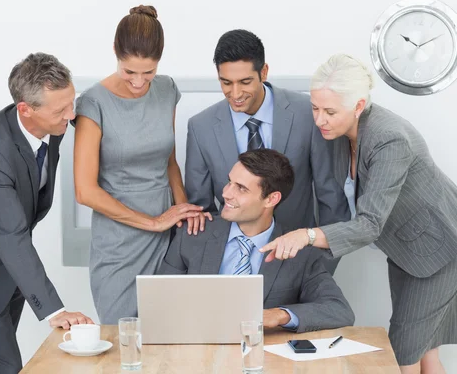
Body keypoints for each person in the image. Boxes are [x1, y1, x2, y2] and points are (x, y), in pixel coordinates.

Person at [260, 53, 457, 373]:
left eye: (329, 111)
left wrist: (306, 236)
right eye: (315, 108)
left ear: (358, 106)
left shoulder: (389, 138)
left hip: (438, 249)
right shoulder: (339, 135)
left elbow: (370, 223)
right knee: (426, 352)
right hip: (406, 249)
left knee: (403, 352)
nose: (320, 119)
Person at [0, 53, 93, 374]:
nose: (71, 116)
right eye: (60, 110)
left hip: (14, 272)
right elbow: (10, 234)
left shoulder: (51, 125)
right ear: (25, 109)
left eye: (72, 103)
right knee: (4, 368)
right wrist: (54, 311)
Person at [74, 5, 208, 324]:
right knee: (123, 334)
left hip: (168, 236)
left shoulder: (166, 90)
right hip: (120, 241)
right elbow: (85, 191)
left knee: (172, 332)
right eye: (129, 71)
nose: (138, 81)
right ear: (115, 54)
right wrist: (153, 222)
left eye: (147, 72)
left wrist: (183, 212)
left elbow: (169, 162)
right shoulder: (94, 102)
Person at [184, 29, 349, 274]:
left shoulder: (308, 113)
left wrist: (319, 266)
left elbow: (331, 197)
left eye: (245, 82)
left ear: (264, 72)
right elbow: (202, 211)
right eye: (226, 83)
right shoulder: (201, 127)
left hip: (299, 260)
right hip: (230, 265)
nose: (236, 94)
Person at [159, 149, 354, 332]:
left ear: (271, 199)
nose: (226, 193)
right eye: (229, 182)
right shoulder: (193, 235)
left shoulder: (300, 253)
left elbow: (339, 310)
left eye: (241, 188)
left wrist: (279, 315)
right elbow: (160, 301)